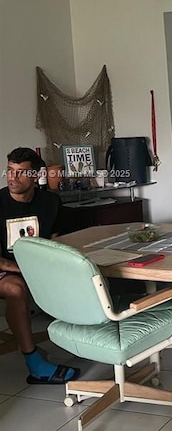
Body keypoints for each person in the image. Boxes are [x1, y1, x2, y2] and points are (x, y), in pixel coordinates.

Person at [0, 147, 80, 384]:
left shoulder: (50, 202)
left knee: (84, 276)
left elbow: (56, 241)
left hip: (39, 265)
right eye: (9, 171)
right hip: (8, 269)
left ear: (36, 176)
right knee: (16, 289)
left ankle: (86, 341)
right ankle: (34, 362)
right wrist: (28, 270)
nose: (13, 178)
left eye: (21, 172)